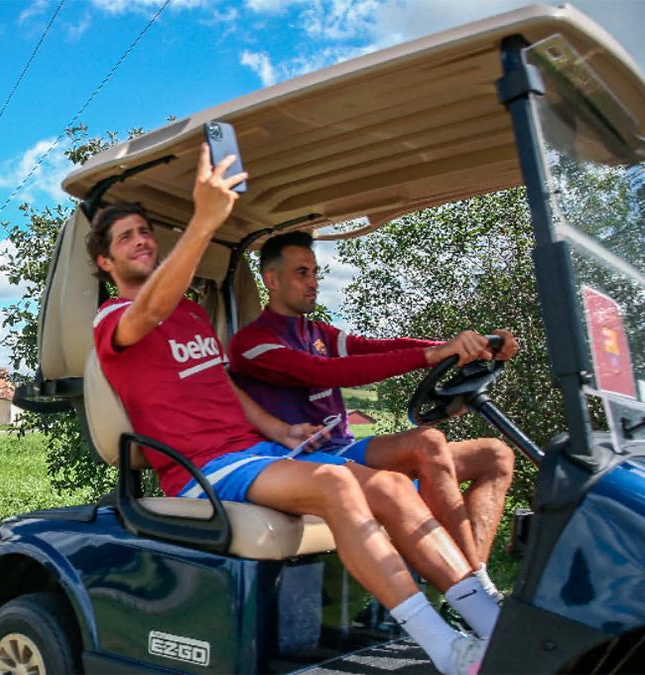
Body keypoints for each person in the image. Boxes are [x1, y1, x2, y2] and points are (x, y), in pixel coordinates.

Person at [88, 145, 495, 675]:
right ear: (105, 262)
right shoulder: (114, 318)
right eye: (127, 237)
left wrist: (282, 429)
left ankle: (491, 623)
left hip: (252, 453)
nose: (142, 240)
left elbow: (222, 386)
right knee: (337, 485)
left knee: (393, 485)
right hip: (202, 468)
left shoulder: (189, 314)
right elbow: (151, 307)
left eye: (146, 231)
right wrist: (206, 221)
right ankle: (449, 651)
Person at [228, 230, 515, 597]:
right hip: (302, 462)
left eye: (316, 272)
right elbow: (324, 372)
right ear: (271, 279)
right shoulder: (252, 343)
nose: (313, 282)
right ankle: (477, 594)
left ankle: (473, 580)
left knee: (495, 455)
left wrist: (460, 349)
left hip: (342, 449)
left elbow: (374, 347)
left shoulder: (316, 332)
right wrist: (434, 355)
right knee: (427, 441)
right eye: (302, 273)